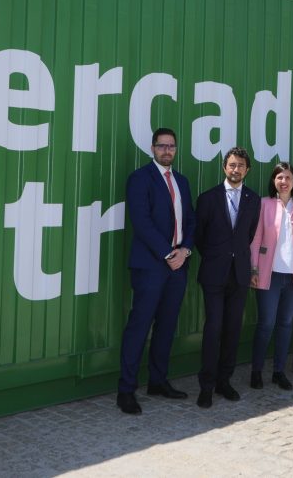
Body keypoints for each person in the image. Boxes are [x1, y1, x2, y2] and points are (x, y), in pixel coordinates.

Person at [117, 128, 196, 414]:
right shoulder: (140, 179)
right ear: (152, 148)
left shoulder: (182, 182)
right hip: (151, 265)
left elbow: (190, 219)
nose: (167, 151)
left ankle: (158, 381)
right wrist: (167, 253)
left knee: (166, 325)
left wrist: (184, 251)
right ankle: (126, 390)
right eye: (161, 146)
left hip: (177, 265)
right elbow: (142, 222)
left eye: (171, 146)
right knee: (139, 326)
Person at [193, 147, 261, 408]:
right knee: (213, 329)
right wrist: (216, 257)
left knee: (233, 329)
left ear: (247, 169)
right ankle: (206, 385)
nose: (236, 169)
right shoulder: (208, 198)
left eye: (241, 165)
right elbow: (200, 236)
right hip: (214, 273)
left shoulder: (253, 200)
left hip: (240, 275)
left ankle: (224, 380)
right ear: (224, 167)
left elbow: (249, 234)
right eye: (232, 165)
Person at [249, 162, 293, 390]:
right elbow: (256, 239)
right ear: (274, 181)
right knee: (266, 324)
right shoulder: (264, 204)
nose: (284, 182)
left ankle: (278, 371)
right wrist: (254, 269)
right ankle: (256, 371)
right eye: (279, 178)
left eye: (288, 177)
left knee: (286, 323)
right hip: (270, 275)